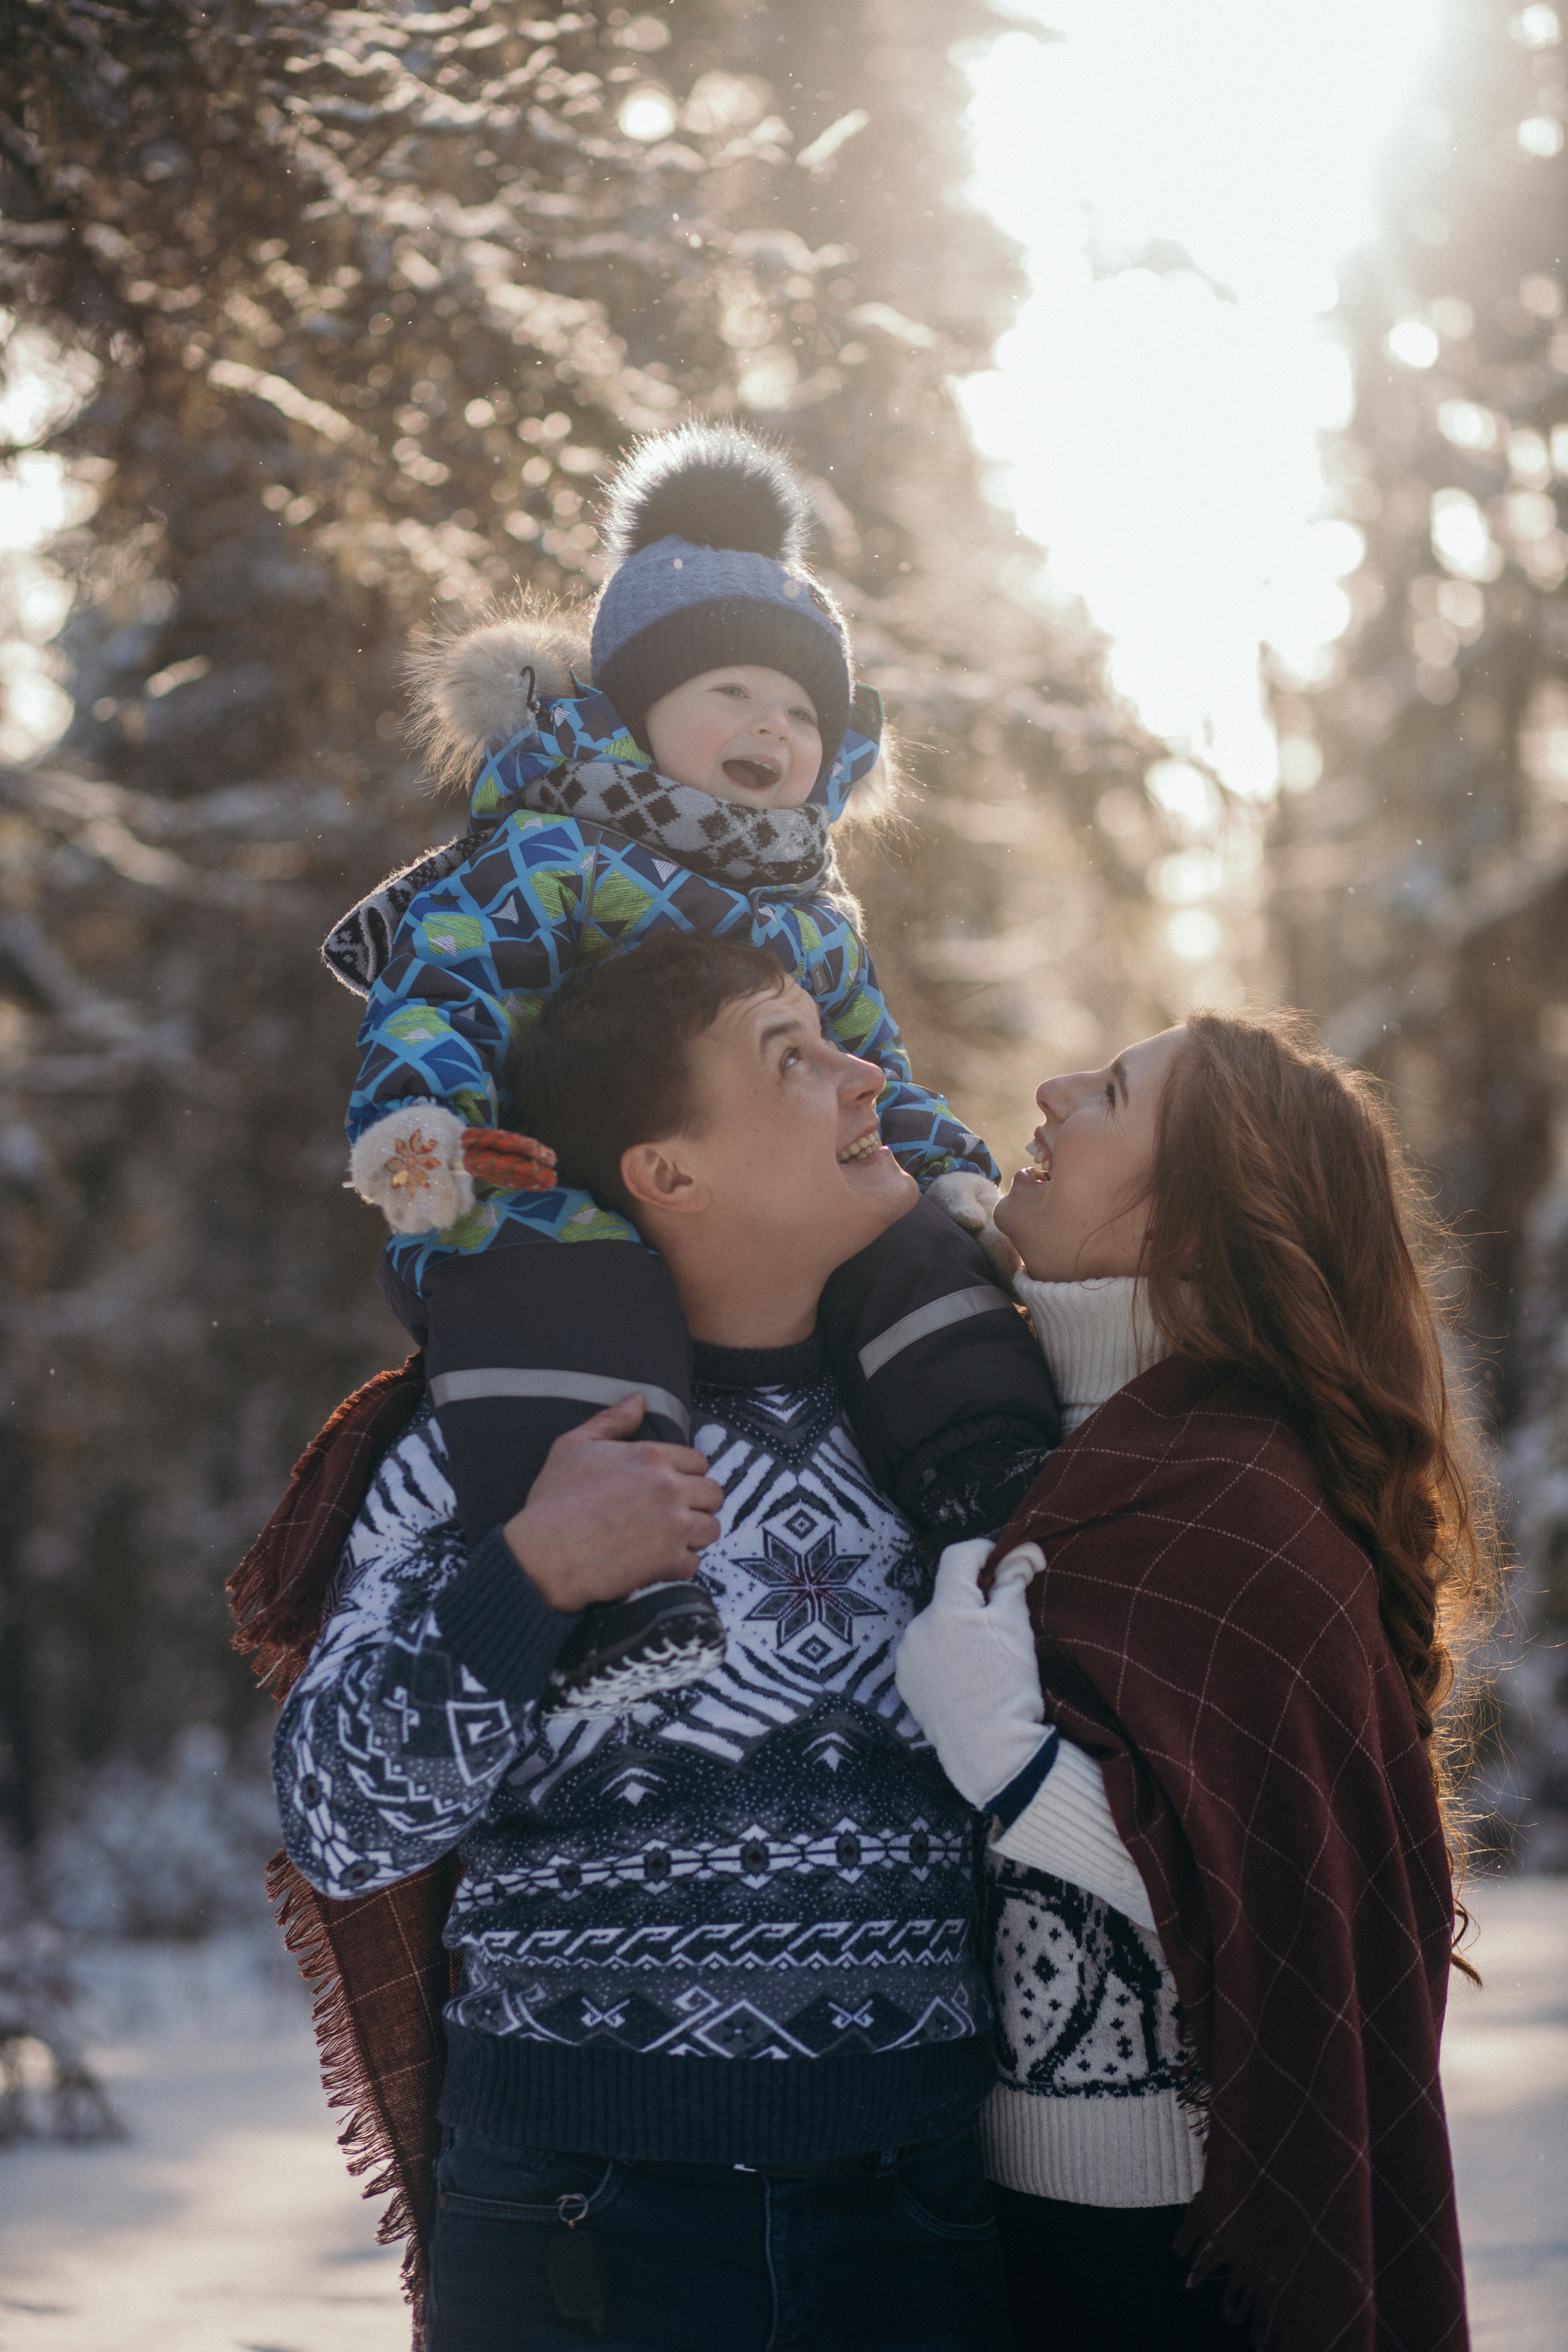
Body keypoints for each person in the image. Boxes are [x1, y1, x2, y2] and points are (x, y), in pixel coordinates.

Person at [274, 930, 1014, 2352]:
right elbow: (338, 1825)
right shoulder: (480, 1443)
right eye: (789, 1057)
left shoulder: (953, 1428)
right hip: (581, 2224)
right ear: (668, 1174)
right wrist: (532, 1574)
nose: (867, 1075)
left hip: (915, 2207)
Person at [323, 421, 1057, 1709]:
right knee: (550, 1268)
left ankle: (982, 1473)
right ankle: (610, 1596)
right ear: (629, 711)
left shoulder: (807, 906)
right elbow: (442, 981)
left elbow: (872, 1070)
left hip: (764, 1244)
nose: (768, 726)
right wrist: (422, 1128)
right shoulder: (550, 852)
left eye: (797, 710)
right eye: (728, 693)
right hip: (540, 1178)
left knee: (908, 1250)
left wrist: (951, 1177)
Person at [896, 1010, 1485, 2352]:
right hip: (970, 2197)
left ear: (1185, 1229)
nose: (1044, 1092)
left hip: (1170, 2242)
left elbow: (1248, 1875)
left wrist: (1000, 1749)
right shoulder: (1019, 1435)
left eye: (1105, 1093)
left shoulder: (1244, 1500)